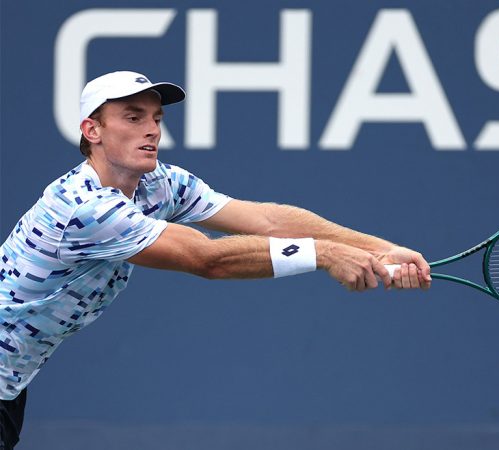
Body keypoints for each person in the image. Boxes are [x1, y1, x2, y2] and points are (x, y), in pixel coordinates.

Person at [0, 71, 431, 448]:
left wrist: (378, 247)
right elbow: (206, 259)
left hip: (11, 380)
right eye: (133, 117)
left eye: (156, 118)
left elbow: (267, 220)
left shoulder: (159, 184)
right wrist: (325, 254)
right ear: (92, 131)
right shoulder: (84, 207)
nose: (151, 129)